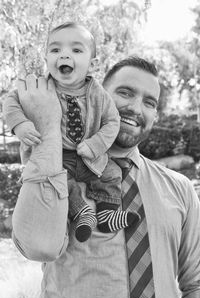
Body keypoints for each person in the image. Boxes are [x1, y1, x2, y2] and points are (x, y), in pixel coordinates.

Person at [5, 56, 200, 298]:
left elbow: (195, 282)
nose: (136, 108)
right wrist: (47, 130)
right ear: (96, 99)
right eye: (125, 92)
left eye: (149, 102)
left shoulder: (180, 188)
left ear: (155, 115)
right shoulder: (56, 173)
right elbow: (38, 246)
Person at [3, 22, 139, 243]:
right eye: (55, 50)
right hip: (56, 158)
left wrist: (96, 144)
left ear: (91, 63)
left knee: (112, 172)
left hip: (88, 157)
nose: (64, 55)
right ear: (46, 58)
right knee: (60, 182)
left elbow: (112, 121)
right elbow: (11, 100)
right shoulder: (40, 87)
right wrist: (20, 124)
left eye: (76, 50)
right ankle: (81, 212)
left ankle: (106, 214)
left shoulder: (99, 95)